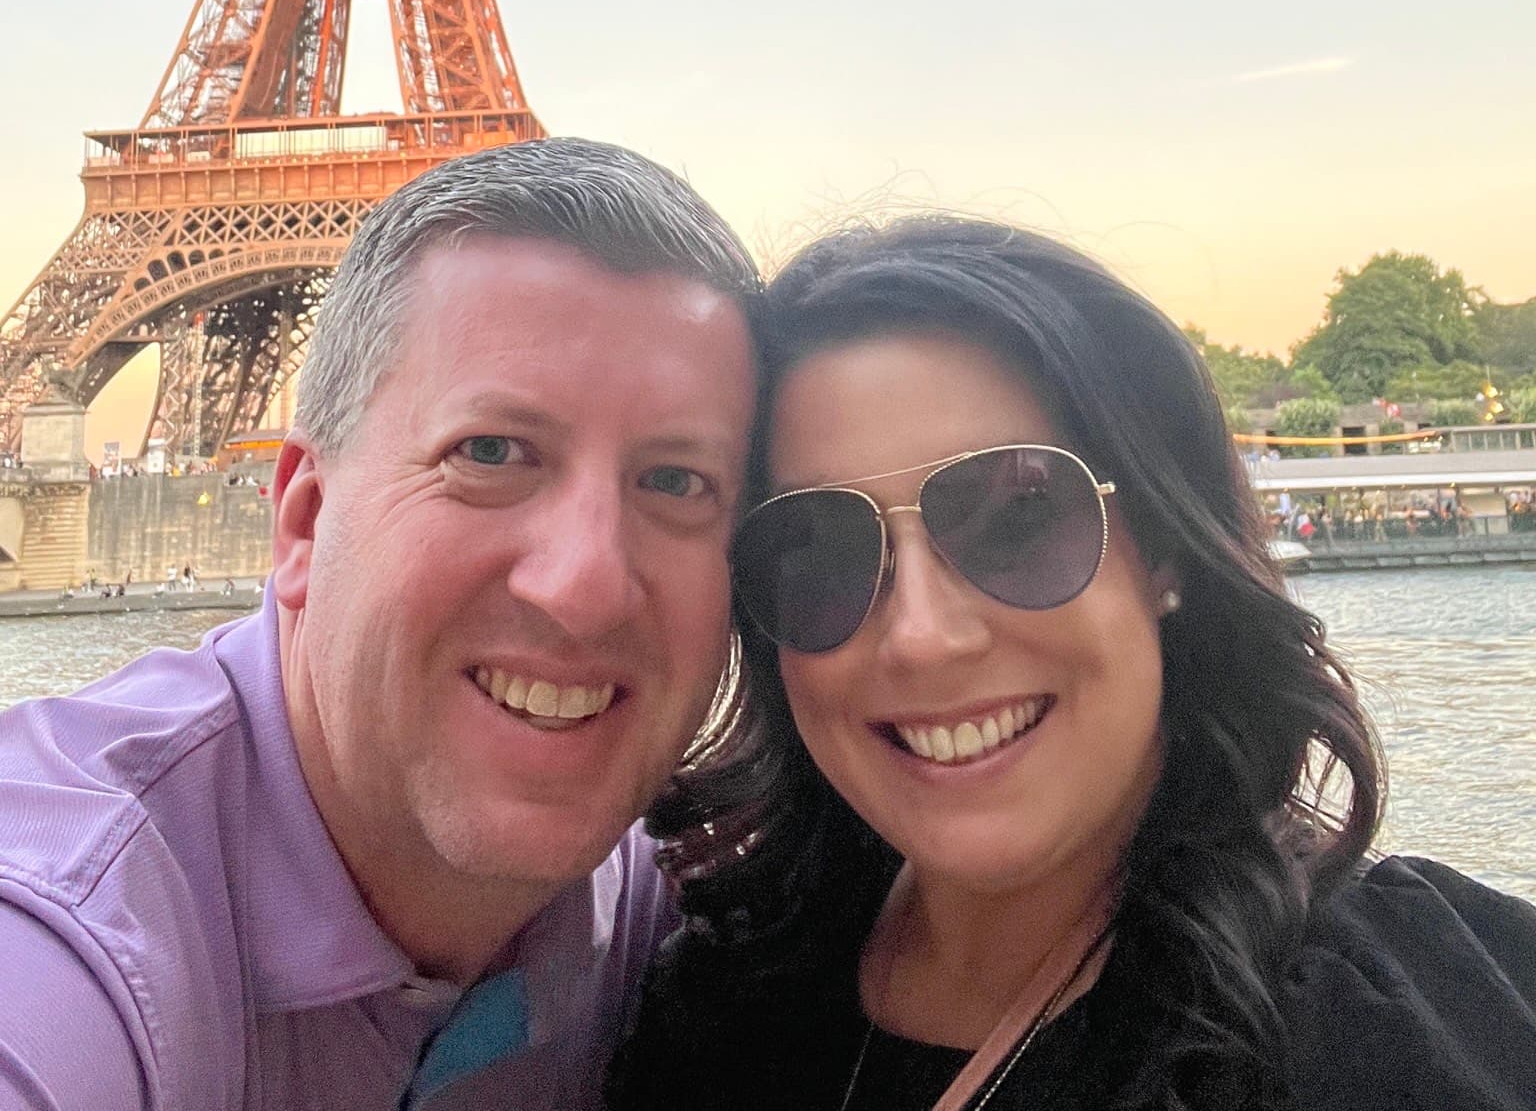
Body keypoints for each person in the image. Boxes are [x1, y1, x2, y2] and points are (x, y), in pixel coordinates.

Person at [611, 217, 1536, 1111]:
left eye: (1018, 517)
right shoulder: (711, 1004)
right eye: (817, 550)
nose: (924, 634)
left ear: (1165, 549)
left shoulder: (1408, 1025)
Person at [0, 139, 759, 1110]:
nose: (586, 583)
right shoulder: (68, 924)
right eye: (491, 450)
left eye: (676, 479)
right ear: (306, 519)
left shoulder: (655, 888)